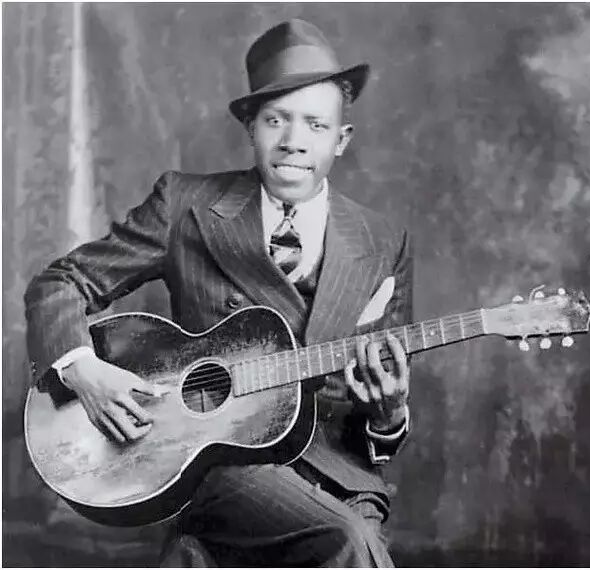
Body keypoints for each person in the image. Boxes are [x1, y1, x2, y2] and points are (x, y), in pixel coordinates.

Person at [25, 19, 413, 567]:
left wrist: (389, 413)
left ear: (341, 139)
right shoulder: (185, 206)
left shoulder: (383, 241)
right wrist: (83, 370)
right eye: (275, 120)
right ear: (250, 128)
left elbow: (383, 428)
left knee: (351, 536)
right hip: (222, 464)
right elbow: (60, 283)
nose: (294, 141)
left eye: (315, 124)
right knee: (345, 540)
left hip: (341, 472)